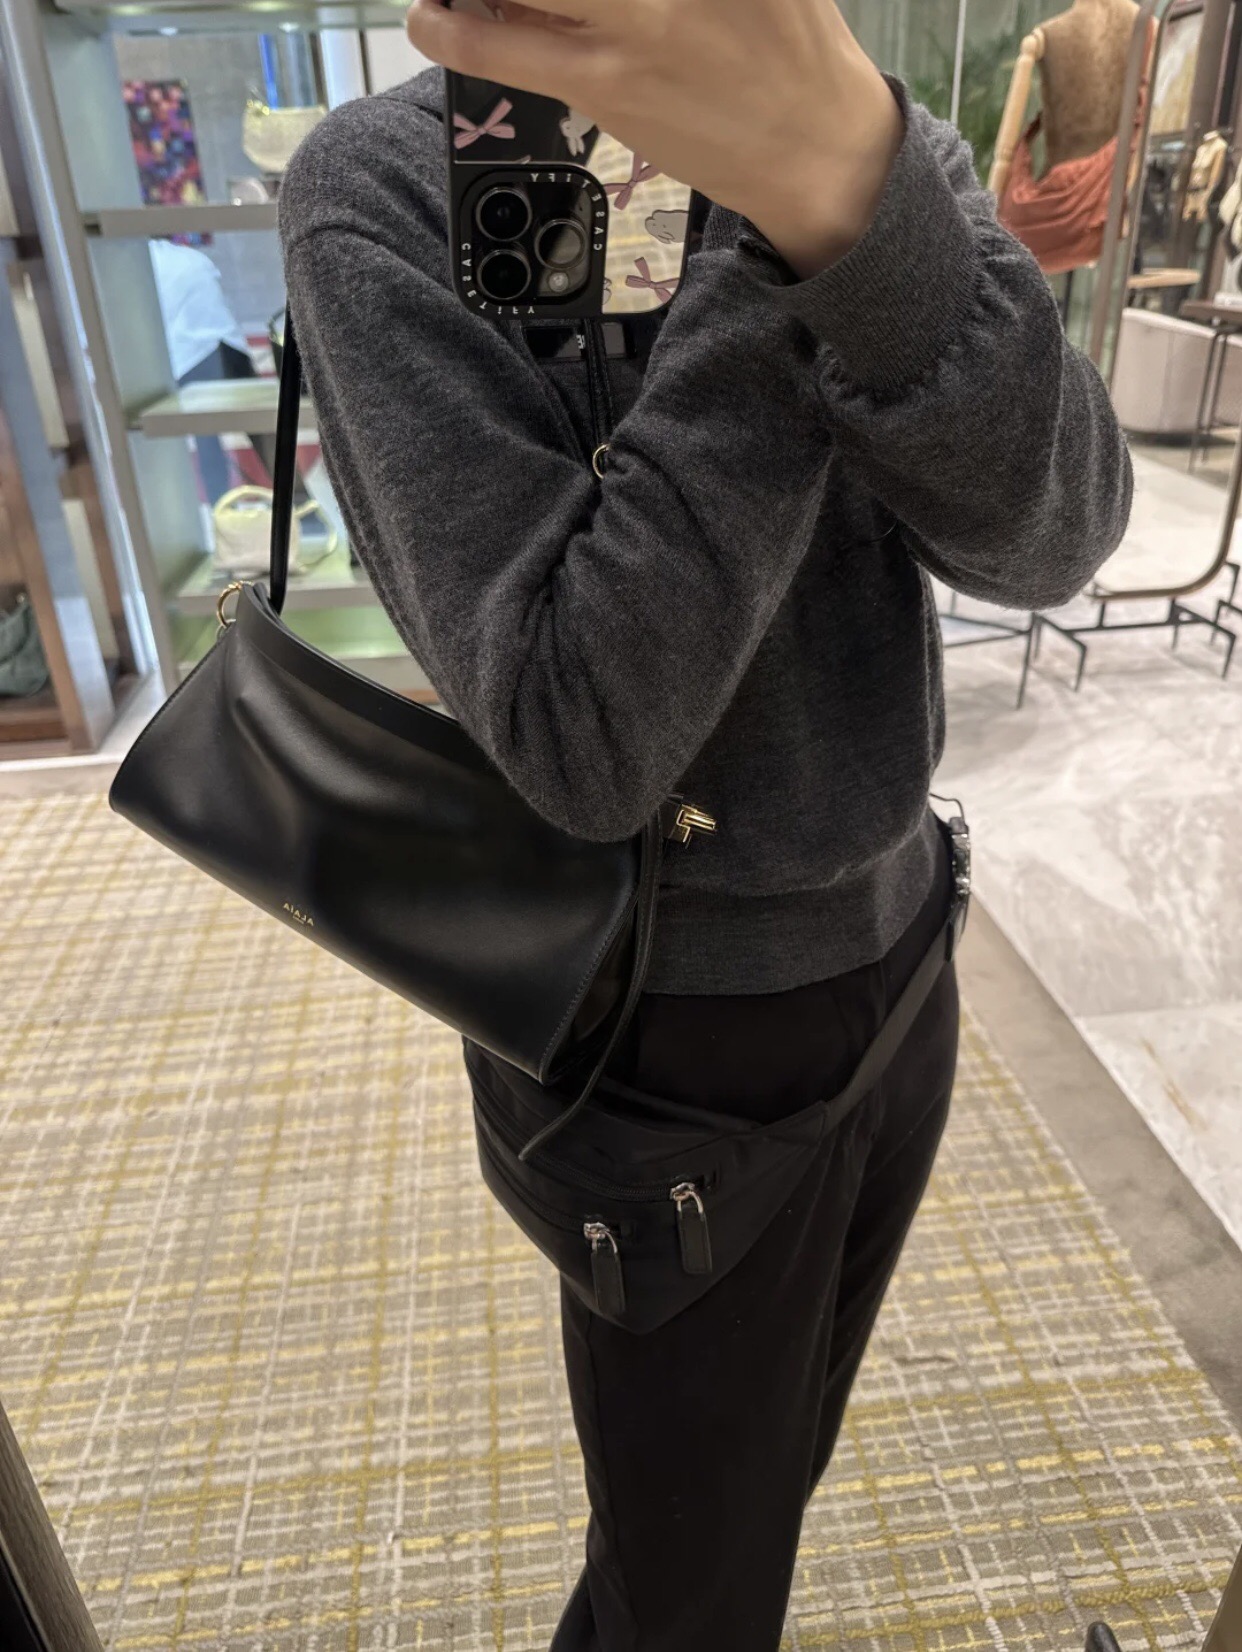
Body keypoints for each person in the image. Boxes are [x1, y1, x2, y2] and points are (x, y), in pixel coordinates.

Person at [277, 0, 1132, 1646]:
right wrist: (776, 235)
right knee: (693, 1587)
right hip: (662, 1032)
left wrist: (845, 190)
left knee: (745, 1493)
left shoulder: (851, 118)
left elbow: (1054, 535)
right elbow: (579, 732)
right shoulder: (388, 184)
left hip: (900, 939)